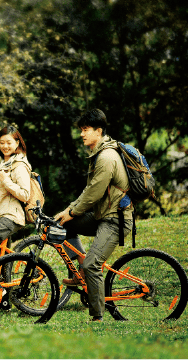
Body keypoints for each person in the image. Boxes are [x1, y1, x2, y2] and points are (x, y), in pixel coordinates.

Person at [53, 108, 132, 322]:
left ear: (98, 131)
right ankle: (79, 274)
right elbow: (88, 191)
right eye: (81, 130)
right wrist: (67, 212)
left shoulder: (106, 157)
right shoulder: (98, 154)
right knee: (64, 225)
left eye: (85, 129)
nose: (81, 134)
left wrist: (73, 211)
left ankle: (97, 316)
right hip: (102, 217)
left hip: (115, 220)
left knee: (92, 264)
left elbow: (95, 193)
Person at [0, 125, 33, 305]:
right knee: (2, 260)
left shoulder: (20, 165)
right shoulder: (0, 162)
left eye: (9, 142)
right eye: (2, 142)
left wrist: (5, 179)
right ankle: (5, 302)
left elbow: (25, 194)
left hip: (12, 216)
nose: (5, 146)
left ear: (17, 142)